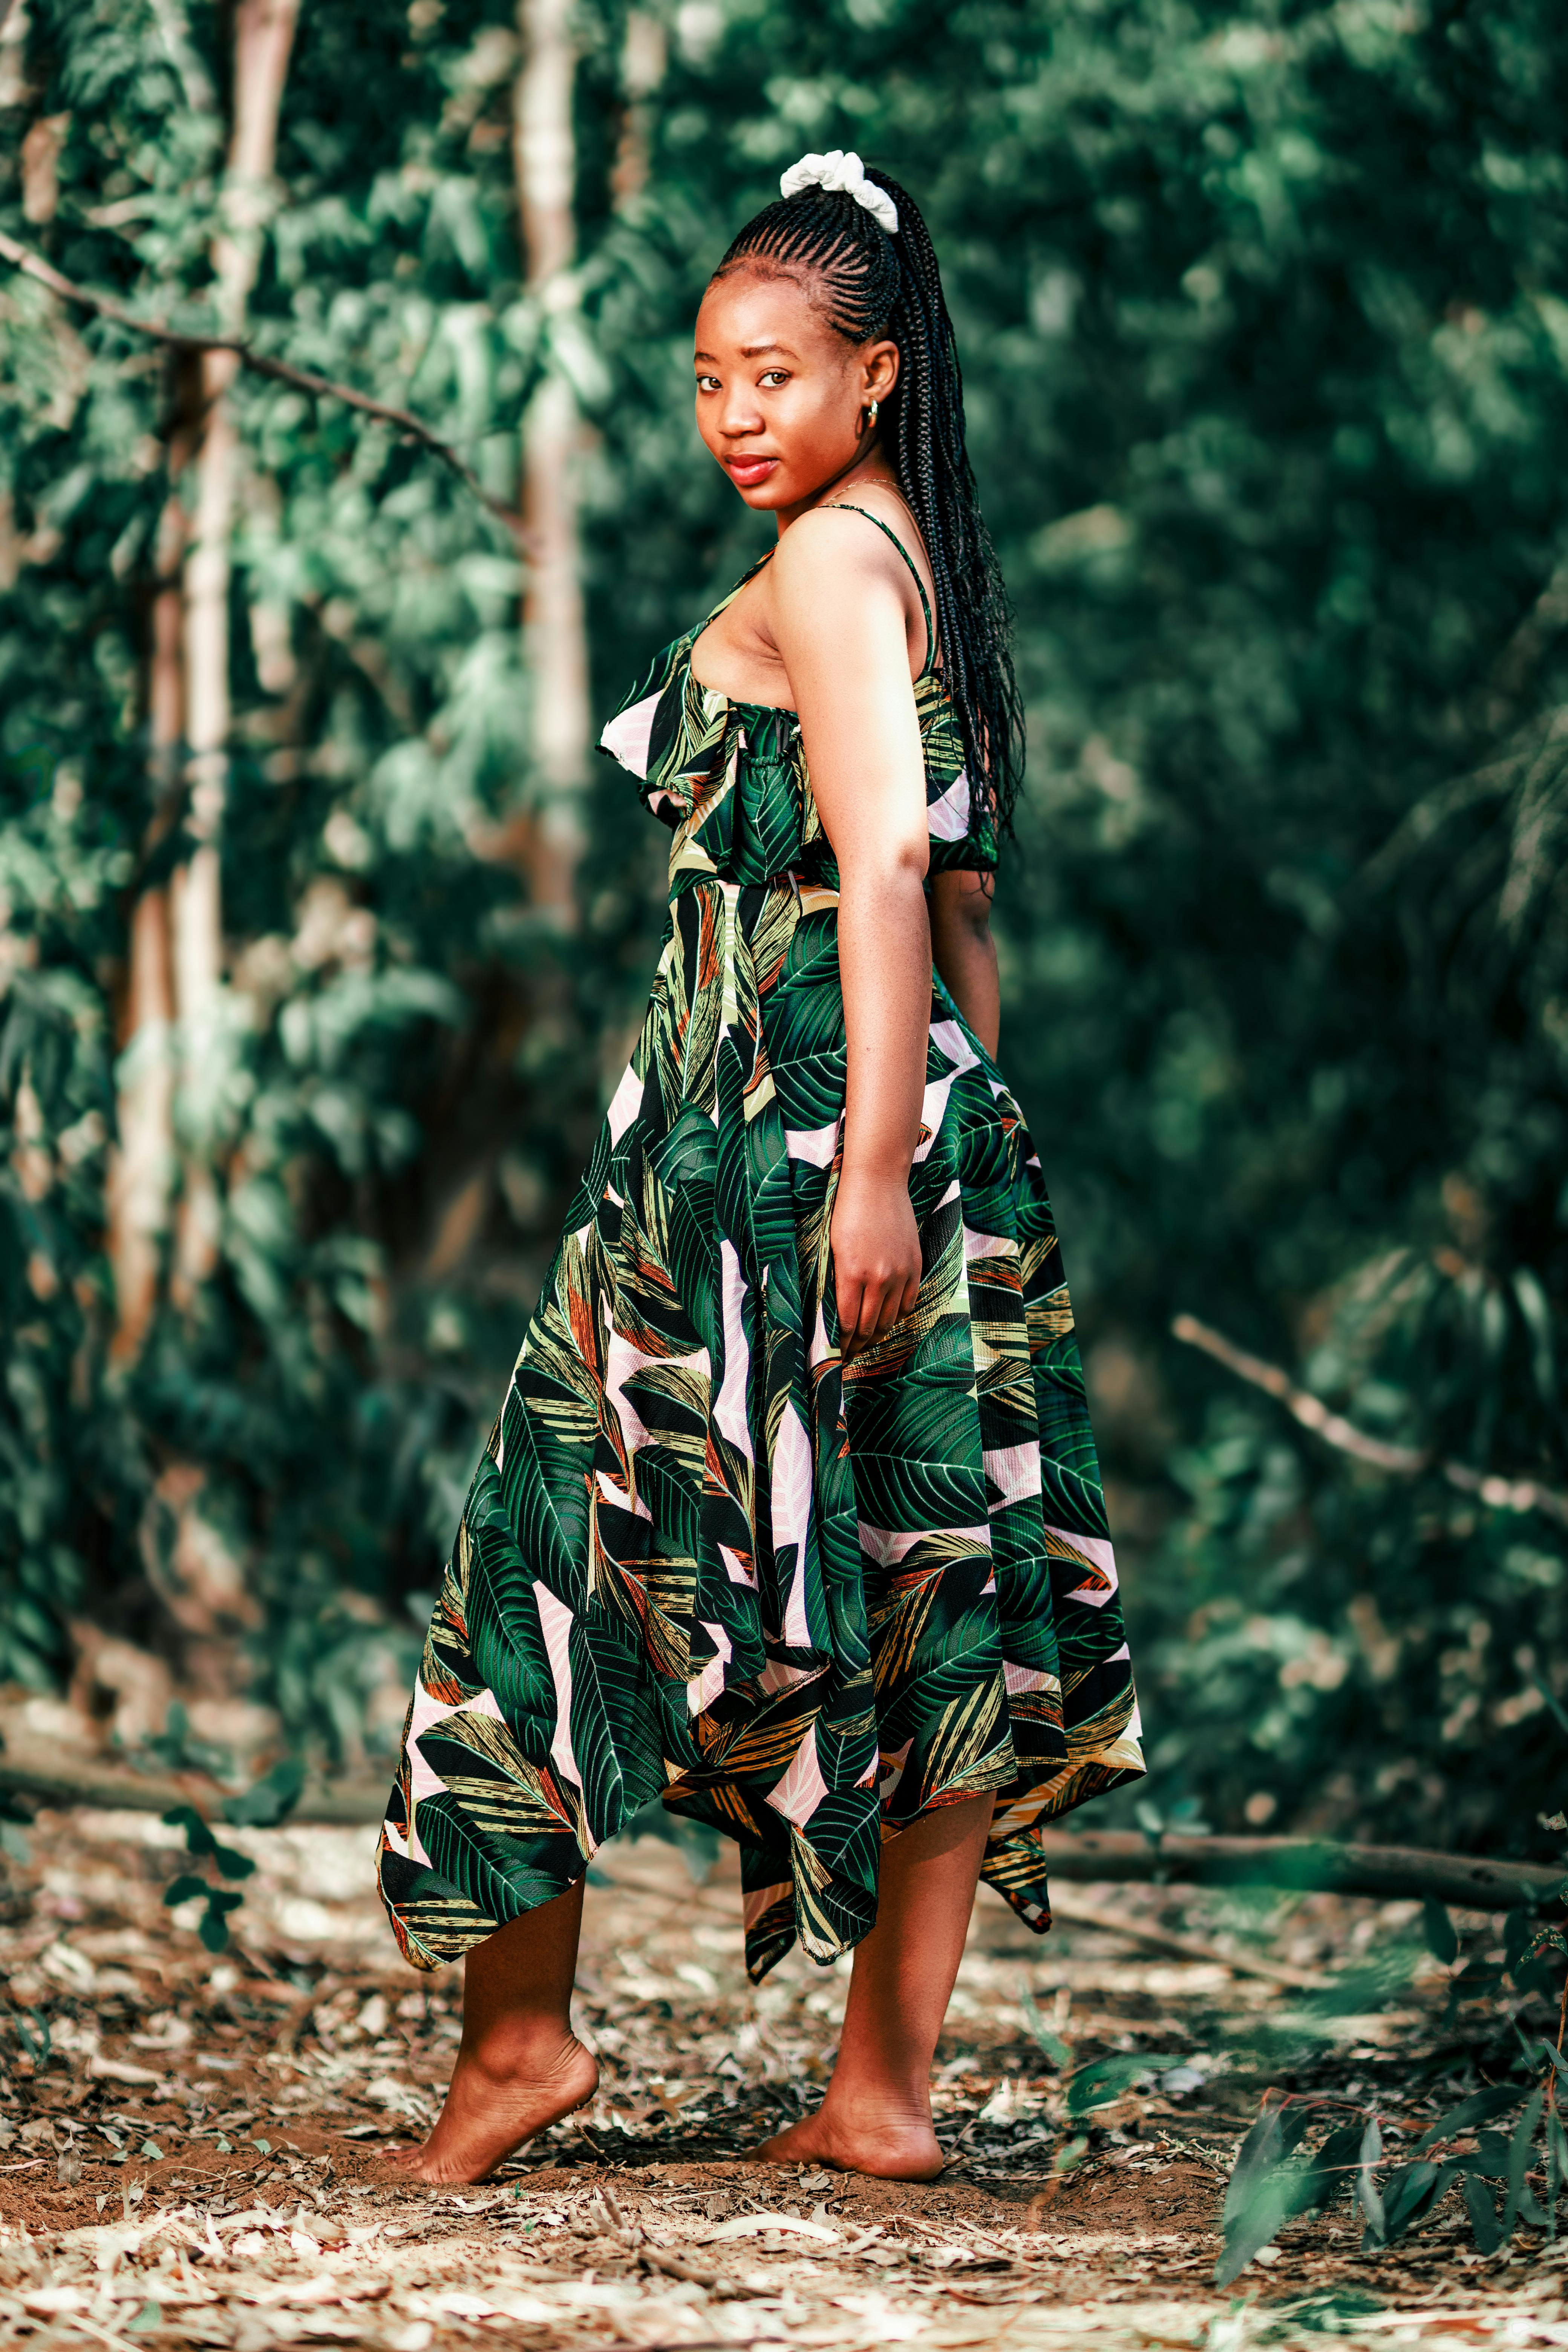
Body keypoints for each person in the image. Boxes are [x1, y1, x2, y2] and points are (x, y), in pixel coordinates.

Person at [377, 150, 1144, 2186]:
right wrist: (961, 1138)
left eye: (777, 374)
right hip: (887, 1116)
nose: (735, 414)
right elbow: (963, 889)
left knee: (539, 1540)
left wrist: (877, 1171)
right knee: (930, 1573)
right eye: (711, 376)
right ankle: (878, 2092)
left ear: (873, 372)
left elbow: (891, 862)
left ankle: (520, 2045)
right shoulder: (909, 554)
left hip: (788, 1136)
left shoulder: (826, 561)